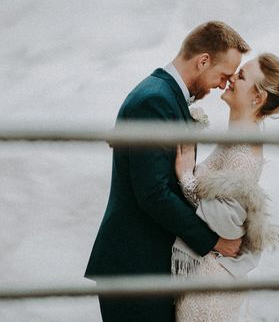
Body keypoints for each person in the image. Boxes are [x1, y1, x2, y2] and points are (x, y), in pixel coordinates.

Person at [85, 21, 251, 322]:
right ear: (203, 61)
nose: (224, 85)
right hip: (135, 268)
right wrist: (214, 241)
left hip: (146, 266)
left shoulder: (163, 96)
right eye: (224, 76)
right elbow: (153, 193)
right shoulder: (155, 101)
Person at [172, 52, 279, 322]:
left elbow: (226, 221)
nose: (232, 77)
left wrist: (187, 177)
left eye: (241, 76)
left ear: (258, 98)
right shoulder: (237, 139)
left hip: (209, 292)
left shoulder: (244, 152)